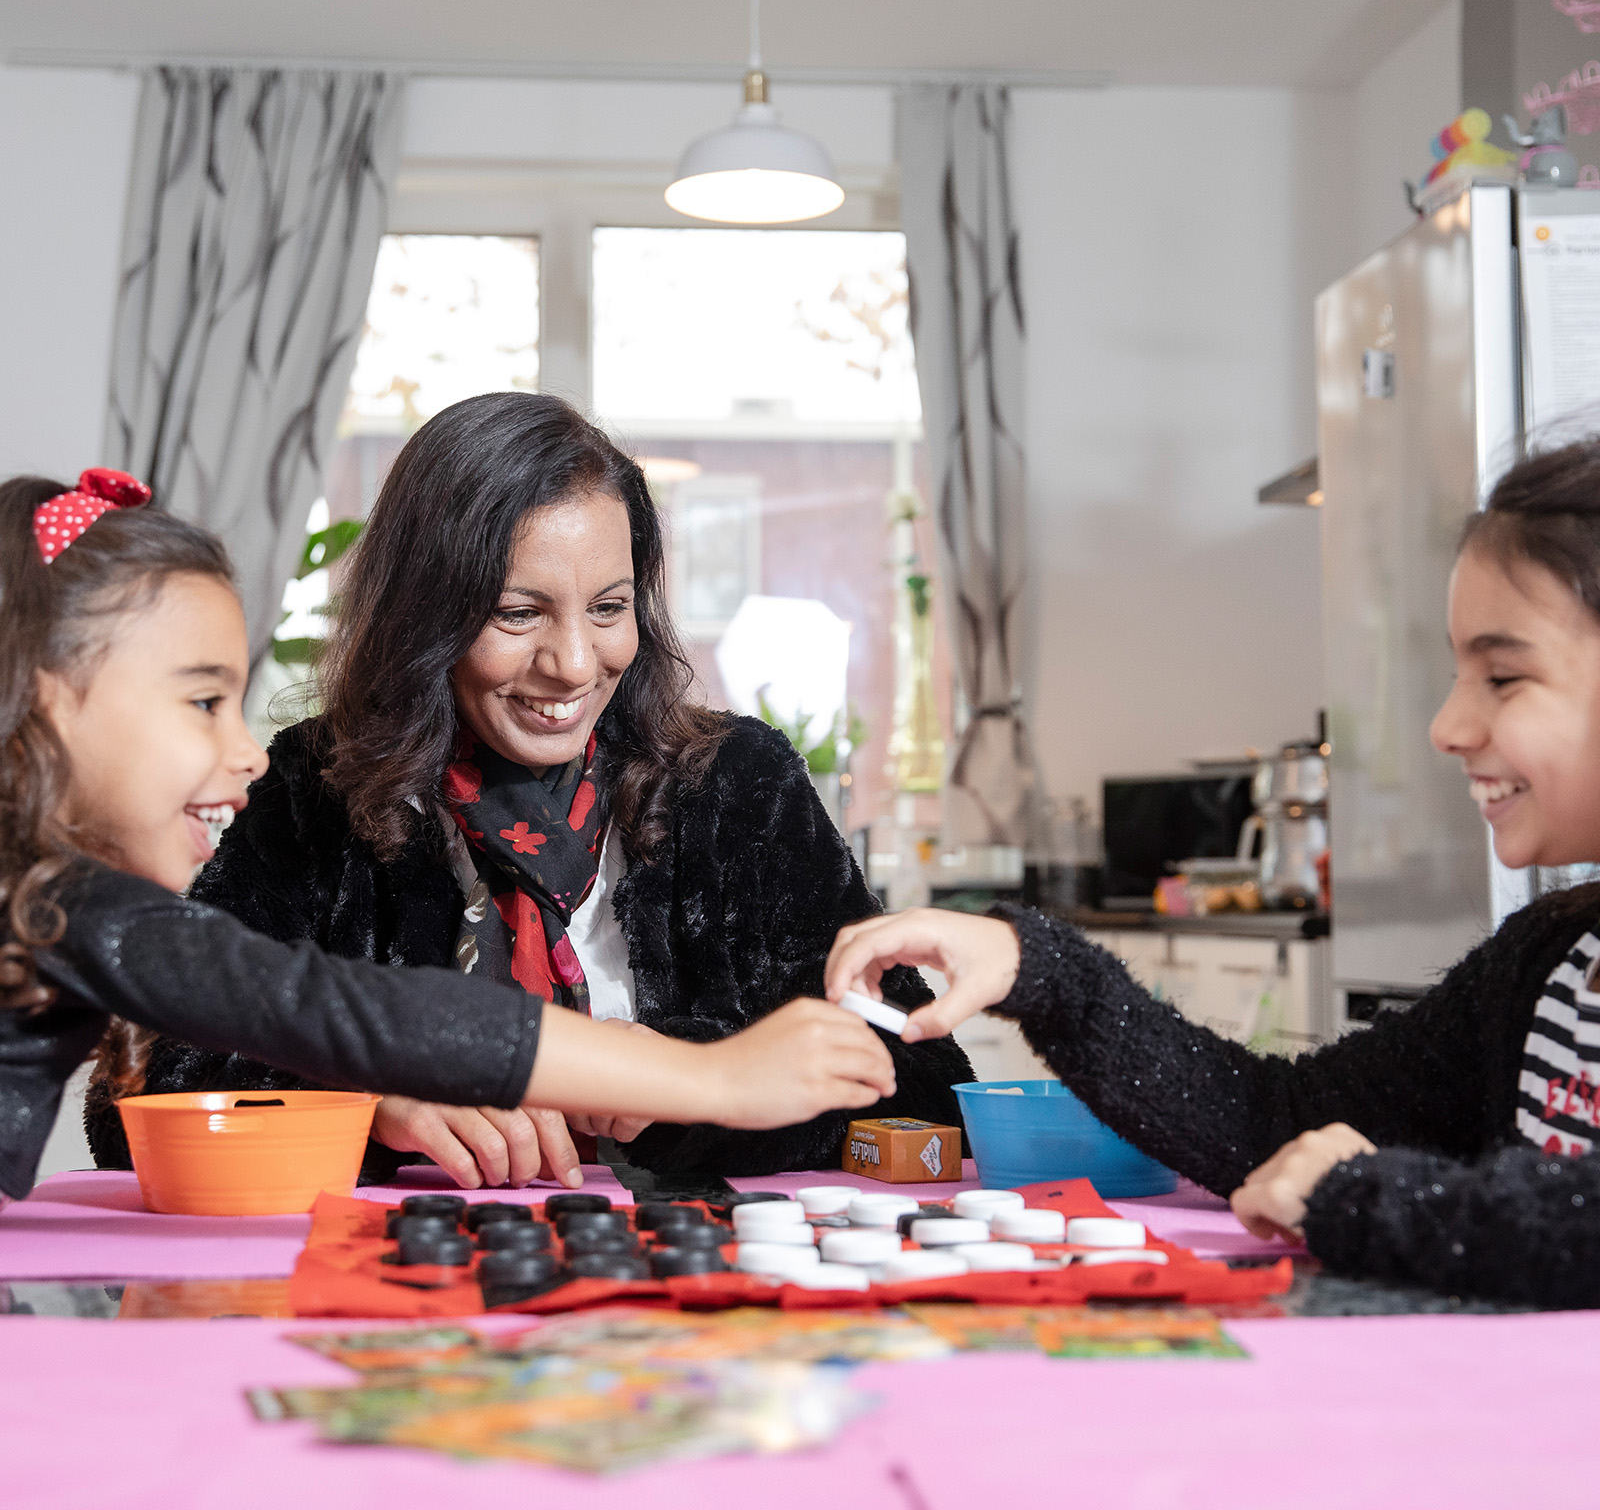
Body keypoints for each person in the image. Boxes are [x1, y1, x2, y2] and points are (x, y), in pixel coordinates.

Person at [86, 393, 972, 1188]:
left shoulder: (740, 785)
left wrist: (677, 1075)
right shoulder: (312, 791)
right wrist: (366, 1105)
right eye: (518, 614)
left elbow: (929, 1083)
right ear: (425, 614)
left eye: (608, 608)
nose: (575, 665)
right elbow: (137, 1103)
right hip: (408, 1299)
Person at [826, 439, 1600, 1310]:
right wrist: (1039, 970)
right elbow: (1275, 1120)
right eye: (1460, 675)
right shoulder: (1549, 964)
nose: (1449, 726)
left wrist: (1371, 1197)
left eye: (1503, 675)